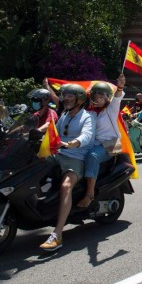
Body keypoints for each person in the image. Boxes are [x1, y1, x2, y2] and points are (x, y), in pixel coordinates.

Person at [40, 84, 96, 251]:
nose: (65, 98)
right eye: (64, 95)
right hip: (58, 154)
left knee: (65, 186)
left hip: (75, 157)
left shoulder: (88, 116)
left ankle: (57, 234)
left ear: (79, 99)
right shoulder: (64, 115)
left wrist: (74, 143)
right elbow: (54, 132)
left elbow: (87, 134)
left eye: (70, 95)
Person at [79, 77, 125, 208]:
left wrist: (120, 86)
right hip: (92, 144)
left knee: (92, 156)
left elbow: (117, 98)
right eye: (96, 96)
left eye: (101, 97)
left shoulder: (111, 109)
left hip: (109, 144)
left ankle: (89, 194)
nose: (98, 99)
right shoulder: (89, 112)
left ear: (107, 98)